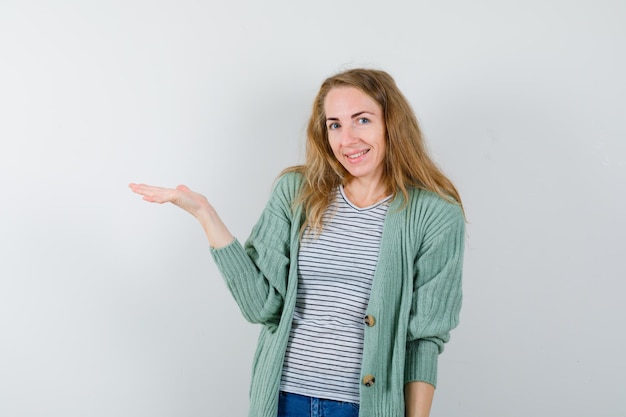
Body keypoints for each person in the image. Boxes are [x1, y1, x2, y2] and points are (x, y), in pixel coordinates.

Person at [129, 68, 465, 417]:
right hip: (283, 399)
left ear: (391, 124)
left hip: (362, 407)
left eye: (361, 120)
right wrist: (206, 216)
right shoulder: (297, 192)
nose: (347, 138)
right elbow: (262, 307)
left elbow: (424, 339)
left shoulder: (434, 214)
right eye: (334, 124)